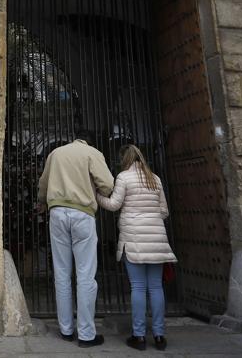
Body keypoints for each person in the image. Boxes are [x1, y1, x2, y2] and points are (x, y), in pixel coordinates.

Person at [37, 127, 114, 347]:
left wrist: (42, 201)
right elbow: (107, 185)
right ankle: (86, 334)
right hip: (83, 214)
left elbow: (43, 184)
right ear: (88, 142)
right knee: (85, 275)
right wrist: (97, 191)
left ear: (74, 139)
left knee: (61, 272)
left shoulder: (56, 154)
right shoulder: (92, 154)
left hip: (57, 213)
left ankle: (66, 330)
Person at [97, 144, 177, 351]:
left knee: (138, 287)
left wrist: (96, 196)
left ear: (125, 159)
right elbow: (164, 211)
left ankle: (139, 336)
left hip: (133, 239)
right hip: (156, 240)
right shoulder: (155, 178)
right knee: (156, 287)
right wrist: (150, 219)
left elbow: (114, 204)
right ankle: (159, 336)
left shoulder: (123, 177)